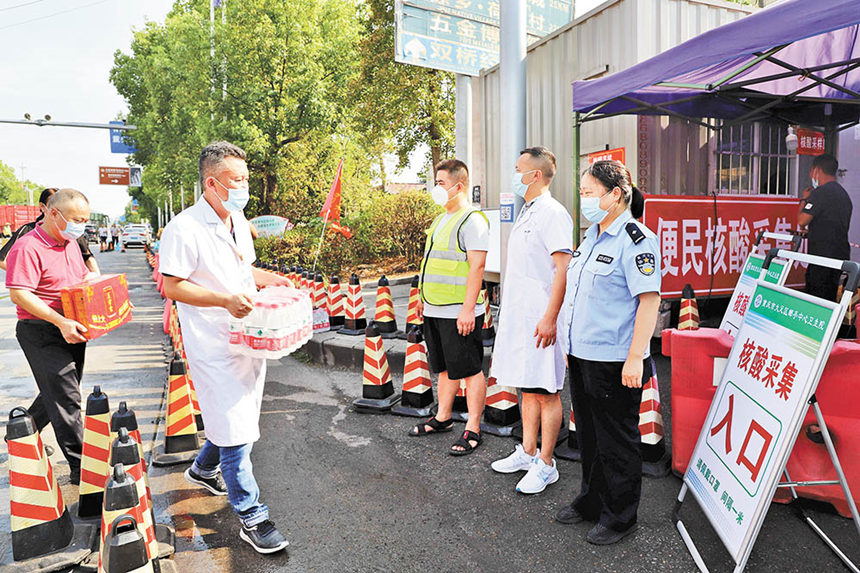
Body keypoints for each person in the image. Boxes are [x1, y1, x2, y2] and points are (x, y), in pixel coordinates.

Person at [160, 141, 292, 554]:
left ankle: (202, 469)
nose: (244, 187)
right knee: (236, 431)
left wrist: (269, 278)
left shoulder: (236, 220)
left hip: (247, 337)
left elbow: (241, 270)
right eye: (236, 180)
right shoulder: (184, 228)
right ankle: (252, 516)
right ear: (211, 184)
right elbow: (172, 285)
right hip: (213, 342)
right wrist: (223, 300)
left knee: (240, 418)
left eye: (246, 178)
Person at [555, 160, 661, 546]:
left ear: (615, 194)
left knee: (616, 441)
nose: (583, 199)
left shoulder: (636, 240)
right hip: (584, 355)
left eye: (589, 193)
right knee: (589, 436)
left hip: (616, 360)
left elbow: (649, 301)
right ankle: (591, 500)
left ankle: (620, 517)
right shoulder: (592, 237)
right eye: (582, 192)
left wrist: (635, 357)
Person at [489, 147, 573, 493]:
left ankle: (547, 463)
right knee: (528, 387)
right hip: (522, 320)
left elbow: (563, 269)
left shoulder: (553, 213)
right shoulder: (529, 211)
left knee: (547, 391)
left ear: (535, 175)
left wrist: (550, 318)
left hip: (541, 320)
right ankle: (527, 451)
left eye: (518, 168)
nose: (514, 174)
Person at [5, 189, 96, 485]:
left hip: (72, 326)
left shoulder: (70, 243)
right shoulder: (28, 246)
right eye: (76, 220)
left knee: (58, 392)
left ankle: (22, 431)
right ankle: (82, 470)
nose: (80, 226)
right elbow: (19, 294)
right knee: (67, 398)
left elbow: (80, 279)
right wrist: (59, 321)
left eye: (85, 220)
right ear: (53, 213)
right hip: (41, 330)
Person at [408, 159, 489, 456]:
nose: (437, 188)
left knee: (470, 369)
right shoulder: (440, 220)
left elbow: (477, 266)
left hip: (459, 311)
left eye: (441, 183)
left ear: (459, 186)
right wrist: (422, 298)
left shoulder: (472, 221)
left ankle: (474, 428)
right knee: (443, 368)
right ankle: (443, 417)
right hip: (434, 308)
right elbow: (431, 263)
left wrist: (468, 309)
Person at [0, 188, 100, 275]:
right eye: (52, 203)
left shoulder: (71, 234)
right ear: (43, 207)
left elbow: (87, 258)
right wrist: (27, 276)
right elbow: (2, 259)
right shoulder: (28, 233)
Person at [798, 153, 852, 303]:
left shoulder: (819, 193)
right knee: (831, 299)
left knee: (816, 299)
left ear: (817, 170)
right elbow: (831, 223)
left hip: (821, 258)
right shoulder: (844, 195)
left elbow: (802, 220)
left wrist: (804, 199)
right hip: (840, 257)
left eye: (811, 171)